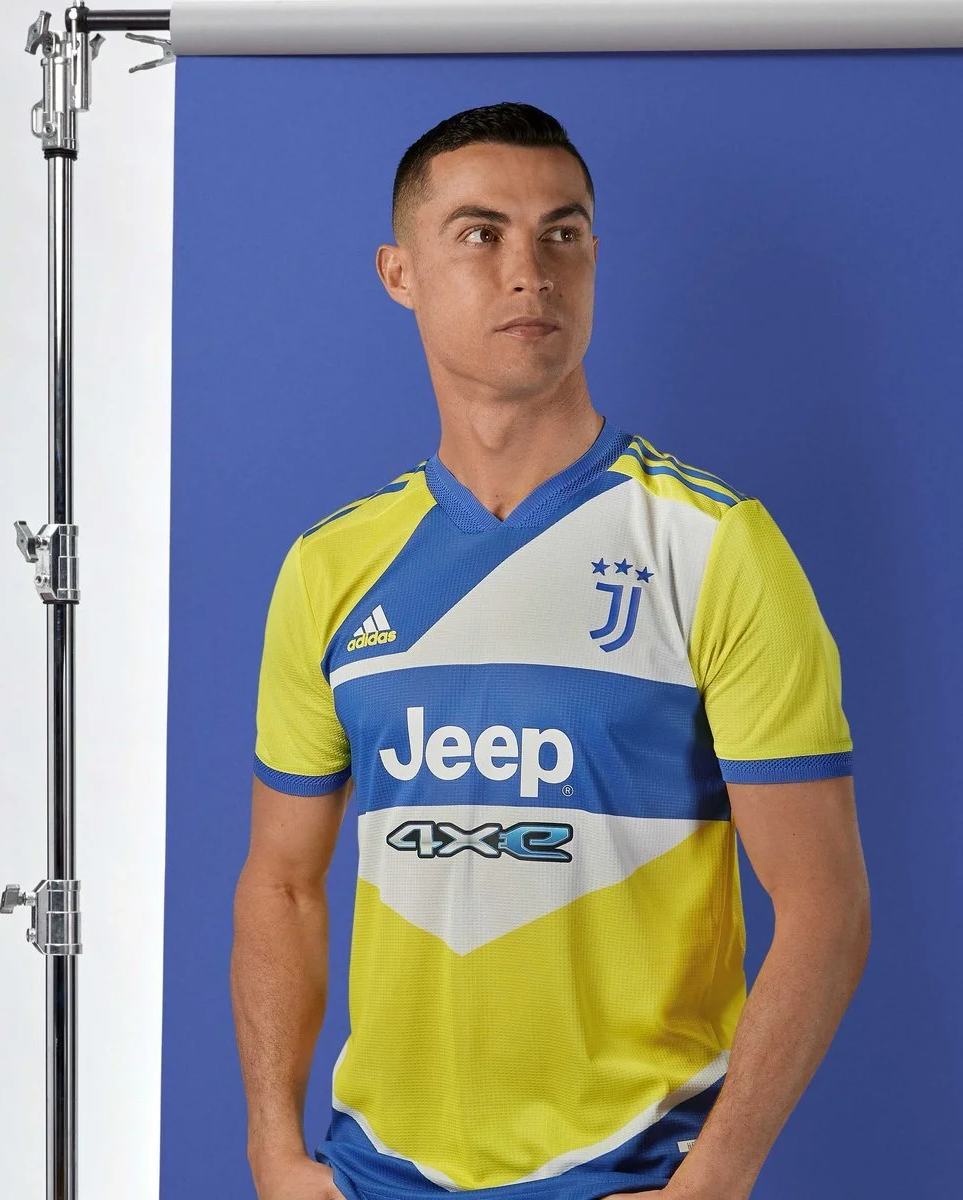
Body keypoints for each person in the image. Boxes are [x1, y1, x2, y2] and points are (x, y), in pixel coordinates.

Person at [231, 102, 871, 1200]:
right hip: (377, 1174)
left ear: (594, 259)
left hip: (627, 1171)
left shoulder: (716, 546)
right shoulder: (328, 566)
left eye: (561, 233)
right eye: (480, 234)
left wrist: (716, 1179)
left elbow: (825, 904)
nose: (530, 270)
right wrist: (273, 1152)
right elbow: (282, 883)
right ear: (400, 272)